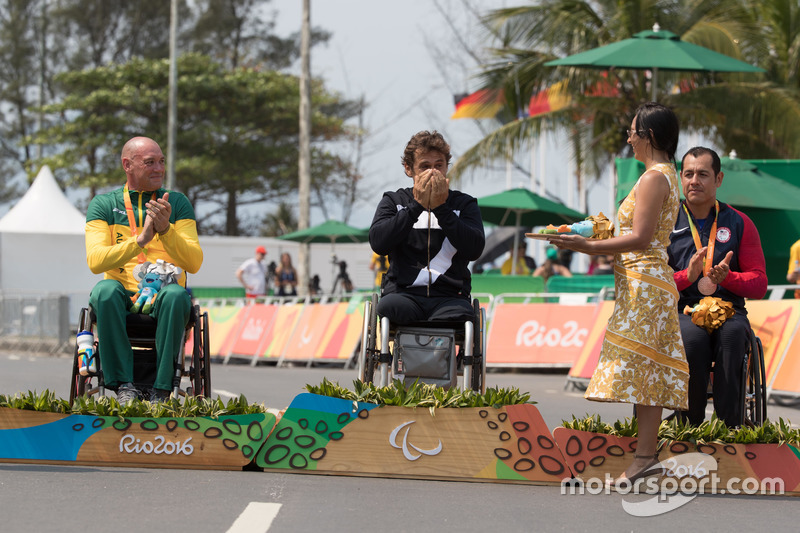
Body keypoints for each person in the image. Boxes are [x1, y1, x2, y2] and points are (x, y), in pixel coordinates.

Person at [546, 102, 688, 487]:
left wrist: (589, 248)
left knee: (642, 369)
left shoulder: (654, 177)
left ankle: (644, 457)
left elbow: (641, 238)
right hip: (641, 283)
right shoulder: (661, 175)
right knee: (646, 370)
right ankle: (645, 456)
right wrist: (592, 236)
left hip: (646, 284)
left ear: (650, 136)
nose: (628, 137)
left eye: (633, 131)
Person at [85, 136, 203, 404]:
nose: (159, 168)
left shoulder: (178, 203)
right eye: (150, 162)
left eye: (161, 161)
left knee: (175, 295)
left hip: (163, 295)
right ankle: (124, 385)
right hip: (122, 297)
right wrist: (139, 241)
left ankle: (161, 390)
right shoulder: (103, 205)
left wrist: (166, 231)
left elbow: (194, 262)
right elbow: (95, 261)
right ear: (127, 164)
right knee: (104, 290)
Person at [667, 146, 767, 427]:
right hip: (683, 309)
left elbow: (759, 284)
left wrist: (729, 278)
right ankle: (689, 424)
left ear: (718, 179)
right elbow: (656, 282)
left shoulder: (739, 222)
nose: (694, 181)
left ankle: (730, 424)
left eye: (702, 174)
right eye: (688, 174)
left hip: (729, 310)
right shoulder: (665, 223)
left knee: (732, 338)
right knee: (693, 341)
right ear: (680, 178)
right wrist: (688, 275)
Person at [369, 130, 485, 324]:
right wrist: (417, 206)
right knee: (391, 308)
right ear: (408, 169)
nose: (433, 172)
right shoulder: (394, 201)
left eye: (438, 165)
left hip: (451, 297)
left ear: (447, 167)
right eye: (425, 166)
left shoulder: (464, 204)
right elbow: (379, 243)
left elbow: (474, 250)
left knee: (458, 316)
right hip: (403, 293)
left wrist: (441, 208)